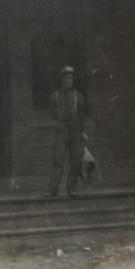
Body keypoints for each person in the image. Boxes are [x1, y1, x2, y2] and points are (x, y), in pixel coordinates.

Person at [45, 64, 89, 199]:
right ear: (62, 79)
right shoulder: (55, 95)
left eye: (71, 78)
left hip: (75, 131)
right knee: (58, 159)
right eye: (66, 78)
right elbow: (51, 111)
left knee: (75, 160)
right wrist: (60, 118)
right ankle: (53, 189)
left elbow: (82, 115)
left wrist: (83, 131)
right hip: (62, 130)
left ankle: (72, 188)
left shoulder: (78, 96)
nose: (69, 81)